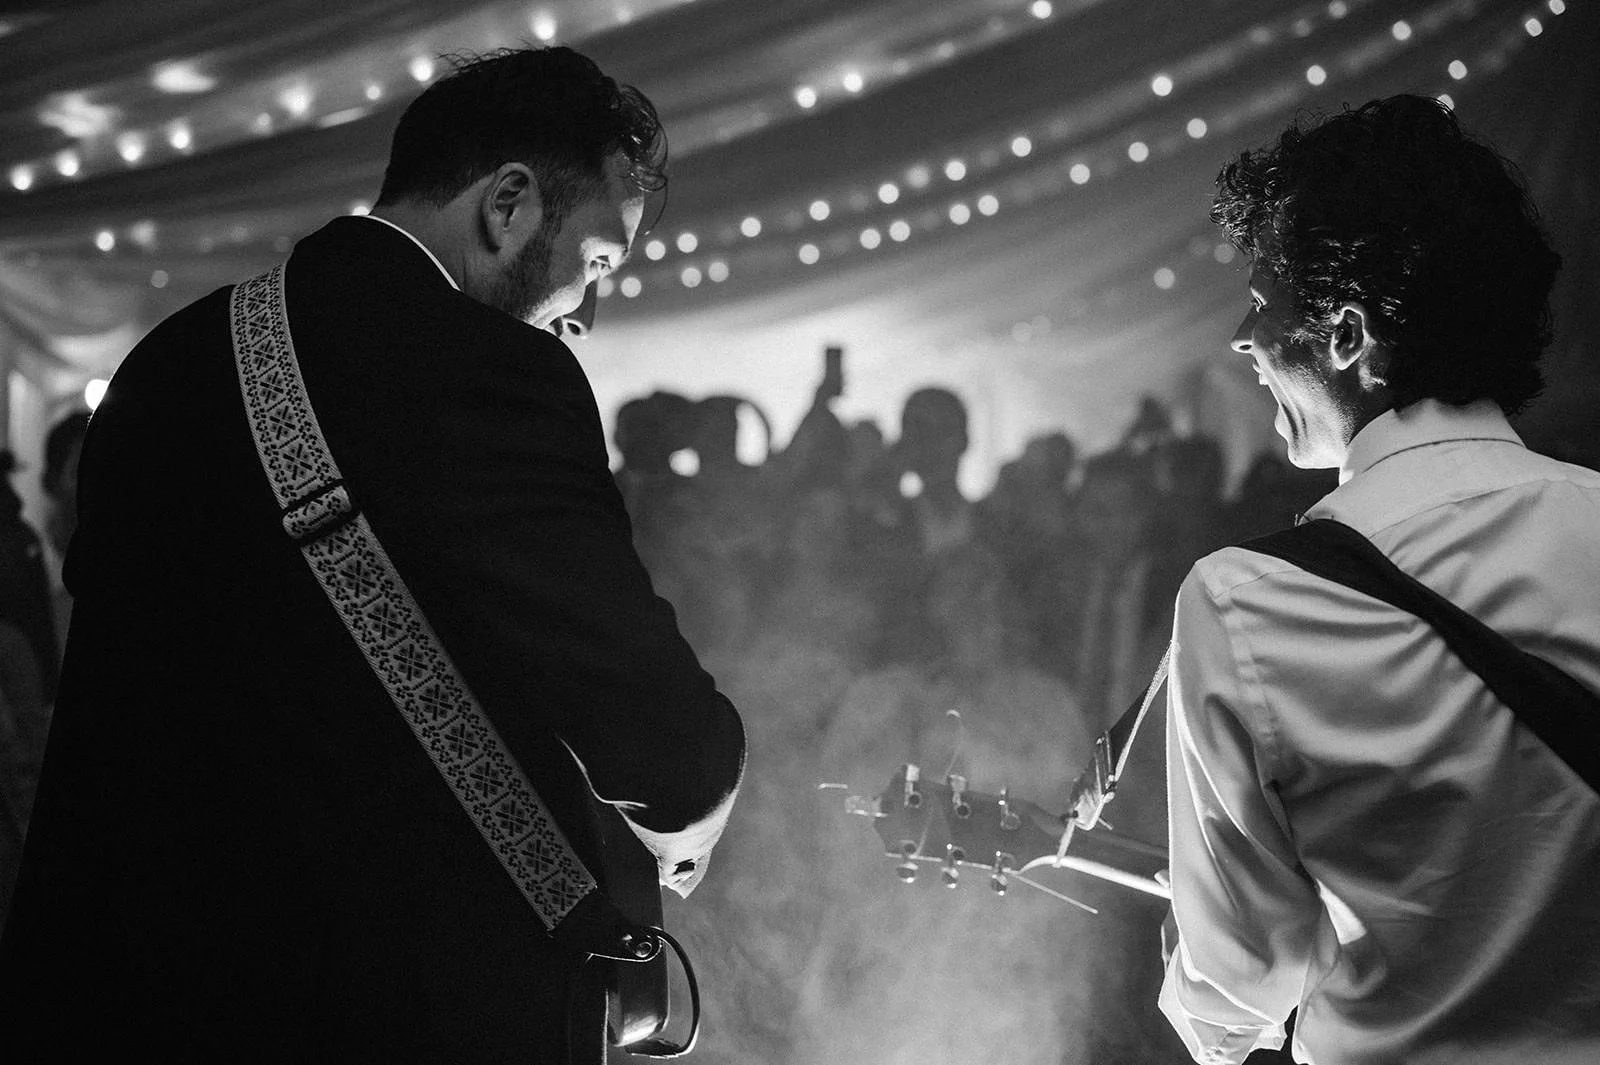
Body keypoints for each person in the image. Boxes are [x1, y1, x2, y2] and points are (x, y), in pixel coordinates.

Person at [0, 46, 745, 1064]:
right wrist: (694, 801)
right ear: (509, 203)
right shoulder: (496, 371)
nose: (586, 308)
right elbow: (651, 733)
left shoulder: (169, 357)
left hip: (118, 986)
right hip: (380, 1003)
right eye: (601, 259)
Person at [1159, 95, 1600, 1064]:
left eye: (1264, 298)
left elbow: (1237, 980)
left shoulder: (1246, 601)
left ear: (1347, 335)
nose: (1242, 334)